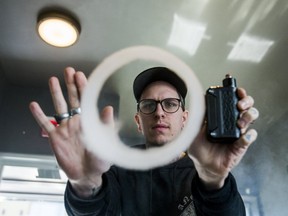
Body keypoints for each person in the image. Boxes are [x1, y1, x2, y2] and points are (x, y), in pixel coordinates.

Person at [29, 66, 259, 216]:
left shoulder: (203, 169)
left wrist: (213, 178)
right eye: (149, 105)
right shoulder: (116, 169)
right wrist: (84, 184)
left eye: (170, 104)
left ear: (185, 119)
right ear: (138, 121)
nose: (159, 113)